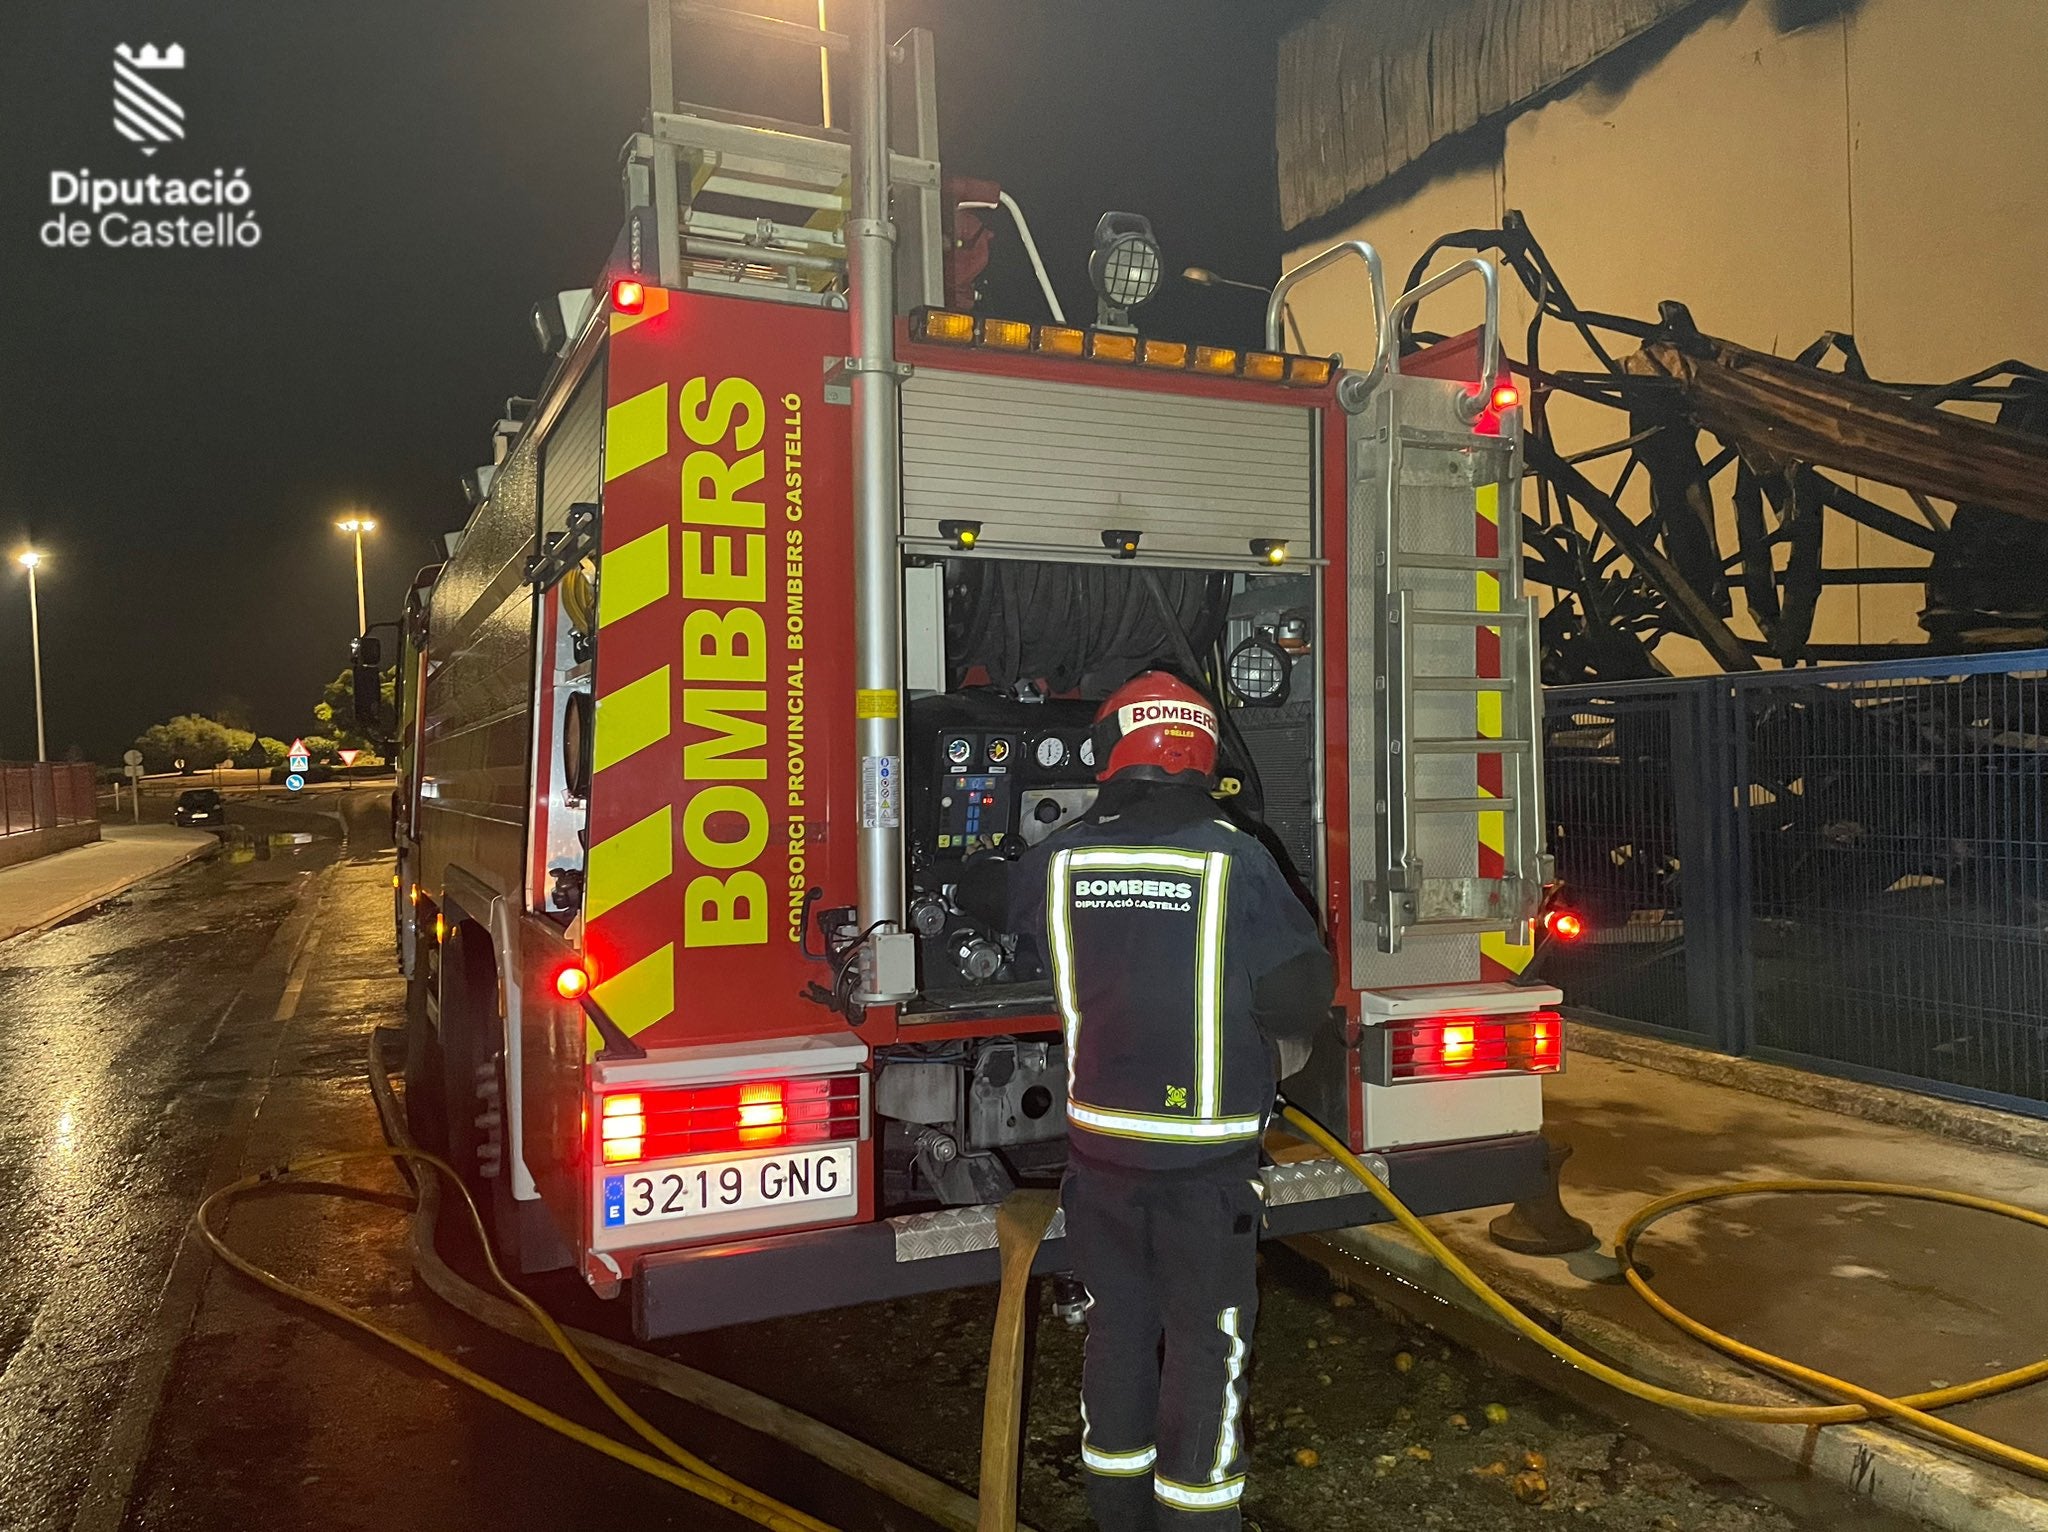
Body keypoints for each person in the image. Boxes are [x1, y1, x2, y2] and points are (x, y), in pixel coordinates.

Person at [959, 670, 1333, 1529]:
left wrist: (970, 868)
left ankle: (1117, 1513)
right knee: (1207, 1345)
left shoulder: (1064, 857)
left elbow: (993, 894)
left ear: (1110, 752)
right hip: (1206, 1167)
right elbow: (1297, 998)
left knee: (1118, 1331)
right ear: (1203, 754)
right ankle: (1197, 1517)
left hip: (1102, 1159)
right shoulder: (1236, 855)